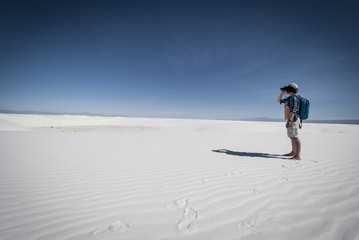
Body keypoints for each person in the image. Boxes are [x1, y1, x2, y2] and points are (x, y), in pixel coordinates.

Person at [277, 83, 301, 160]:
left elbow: (293, 110)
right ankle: (293, 152)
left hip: (293, 119)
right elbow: (279, 101)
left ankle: (297, 156)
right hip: (291, 119)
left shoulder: (294, 98)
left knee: (295, 137)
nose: (286, 90)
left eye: (287, 89)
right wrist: (282, 93)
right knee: (291, 137)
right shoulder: (290, 98)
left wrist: (289, 121)